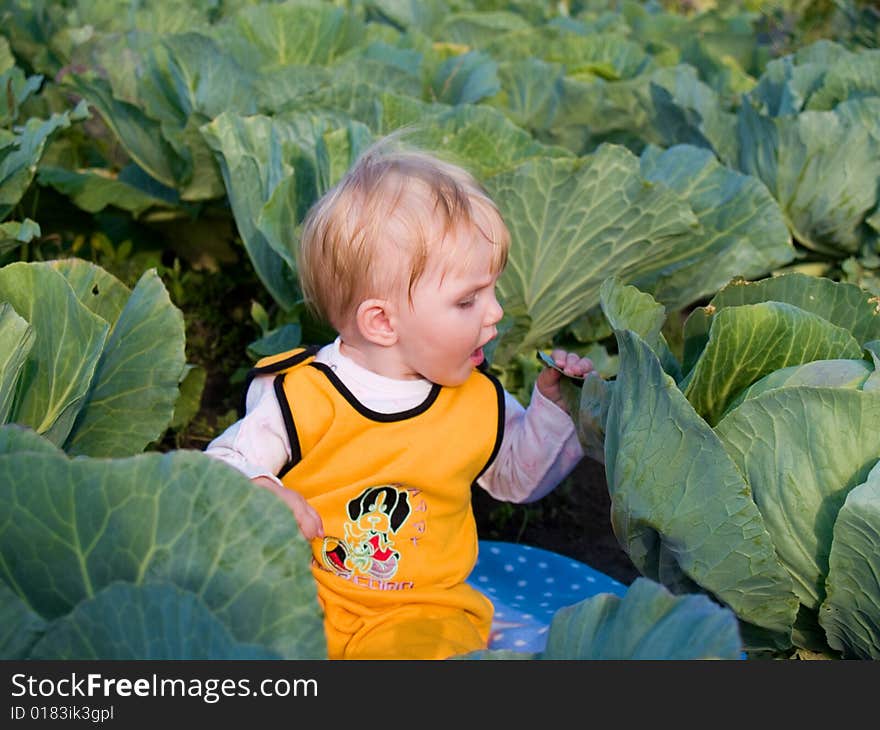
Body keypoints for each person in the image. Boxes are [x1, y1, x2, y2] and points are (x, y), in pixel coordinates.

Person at [205, 138, 594, 660]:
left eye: (492, 290)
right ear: (383, 321)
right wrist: (258, 485)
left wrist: (553, 409)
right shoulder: (303, 394)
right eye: (468, 299)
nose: (495, 312)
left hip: (423, 610)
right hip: (304, 593)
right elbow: (225, 461)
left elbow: (518, 479)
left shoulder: (476, 399)